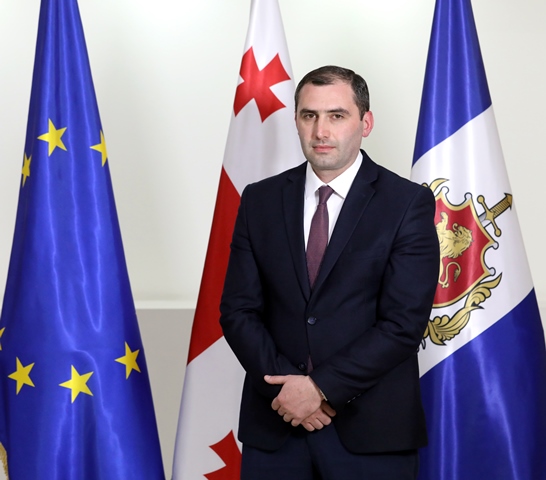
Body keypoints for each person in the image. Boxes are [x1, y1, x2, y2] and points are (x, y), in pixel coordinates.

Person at [220, 65, 439, 480]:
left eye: (337, 116)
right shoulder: (259, 200)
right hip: (276, 425)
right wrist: (289, 390)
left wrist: (318, 389)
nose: (321, 131)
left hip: (371, 433)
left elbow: (403, 324)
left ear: (365, 123)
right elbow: (237, 310)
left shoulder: (406, 203)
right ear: (296, 121)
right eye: (309, 115)